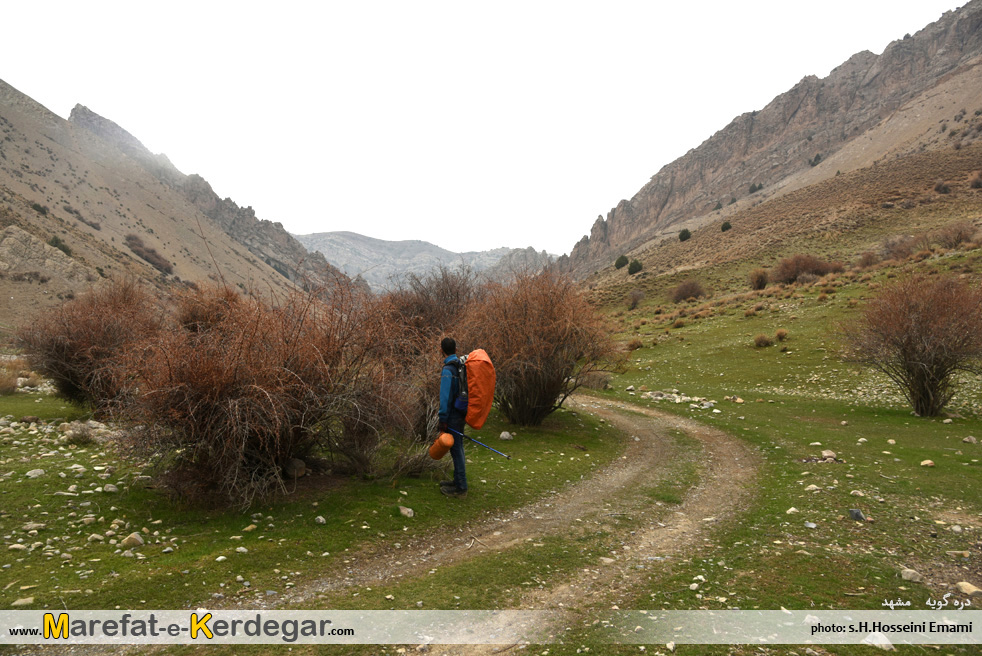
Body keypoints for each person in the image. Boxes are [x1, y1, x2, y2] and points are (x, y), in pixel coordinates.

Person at [438, 336, 467, 498]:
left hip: (452, 415)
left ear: (441, 351)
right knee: (458, 448)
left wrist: (443, 419)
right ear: (456, 350)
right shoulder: (461, 366)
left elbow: (445, 397)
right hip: (461, 411)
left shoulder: (448, 370)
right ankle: (457, 481)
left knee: (456, 450)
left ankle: (461, 488)